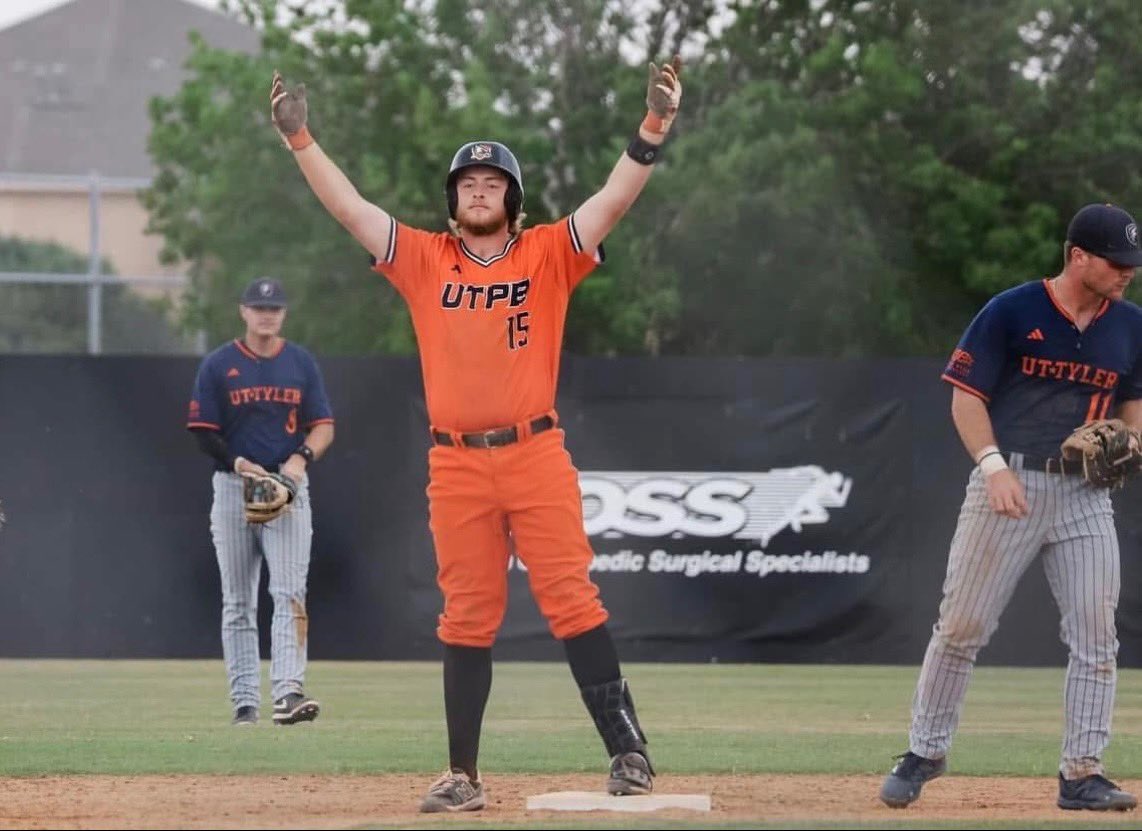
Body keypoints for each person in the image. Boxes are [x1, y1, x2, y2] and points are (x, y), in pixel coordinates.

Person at [268, 57, 682, 811]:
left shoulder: (547, 251)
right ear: (453, 202)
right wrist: (301, 139)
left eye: (493, 182)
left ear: (512, 200)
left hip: (535, 451)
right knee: (465, 615)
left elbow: (613, 200)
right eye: (468, 183)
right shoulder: (426, 259)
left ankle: (629, 752)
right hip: (456, 463)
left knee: (571, 600)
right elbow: (351, 209)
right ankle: (464, 774)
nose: (480, 189)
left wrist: (653, 126)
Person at [880, 203, 1142, 812]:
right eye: (1115, 261)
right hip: (1010, 481)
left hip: (1085, 494)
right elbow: (966, 397)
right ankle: (924, 752)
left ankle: (1082, 774)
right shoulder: (1012, 310)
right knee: (962, 627)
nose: (1126, 271)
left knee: (1096, 635)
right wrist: (992, 466)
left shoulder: (1131, 325)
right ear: (1078, 256)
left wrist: (1132, 440)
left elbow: (1133, 403)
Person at [186, 277, 335, 727]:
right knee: (238, 601)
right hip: (235, 485)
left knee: (290, 592)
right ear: (243, 312)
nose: (267, 315)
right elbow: (203, 432)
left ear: (283, 313)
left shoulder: (300, 362)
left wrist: (301, 458)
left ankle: (288, 693)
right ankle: (245, 703)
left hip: (284, 485)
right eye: (259, 308)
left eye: (274, 309)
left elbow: (323, 425)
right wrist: (238, 463)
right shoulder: (220, 364)